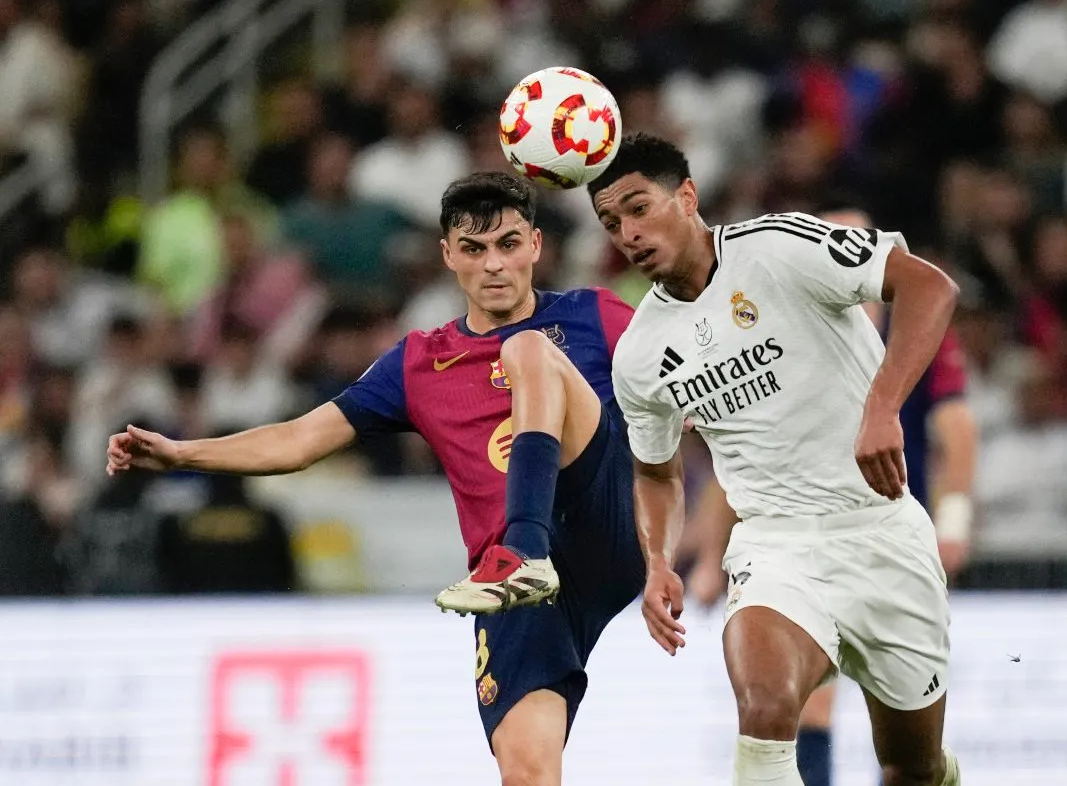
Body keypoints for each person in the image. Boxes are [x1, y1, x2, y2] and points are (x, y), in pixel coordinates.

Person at [106, 171, 645, 786]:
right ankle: (520, 557)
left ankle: (525, 548)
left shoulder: (594, 315)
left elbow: (683, 392)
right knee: (526, 771)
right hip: (512, 591)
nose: (494, 265)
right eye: (473, 249)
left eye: (508, 244)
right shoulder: (419, 362)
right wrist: (182, 453)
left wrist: (674, 545)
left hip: (598, 523)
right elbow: (299, 439)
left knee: (526, 351)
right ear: (448, 255)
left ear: (536, 246)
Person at [589, 134, 962, 786]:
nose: (629, 233)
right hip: (775, 546)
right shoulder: (640, 353)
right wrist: (658, 560)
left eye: (639, 208)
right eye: (611, 222)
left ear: (687, 197)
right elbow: (656, 471)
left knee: (914, 766)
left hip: (882, 534)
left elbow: (930, 286)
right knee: (764, 707)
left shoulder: (779, 247)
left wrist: (882, 408)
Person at [685, 198, 977, 786]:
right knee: (803, 703)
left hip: (893, 542)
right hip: (800, 546)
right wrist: (712, 557)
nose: (846, 257)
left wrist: (954, 523)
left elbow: (958, 430)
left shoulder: (911, 327)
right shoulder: (777, 328)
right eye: (831, 242)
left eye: (859, 244)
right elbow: (737, 458)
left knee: (909, 751)